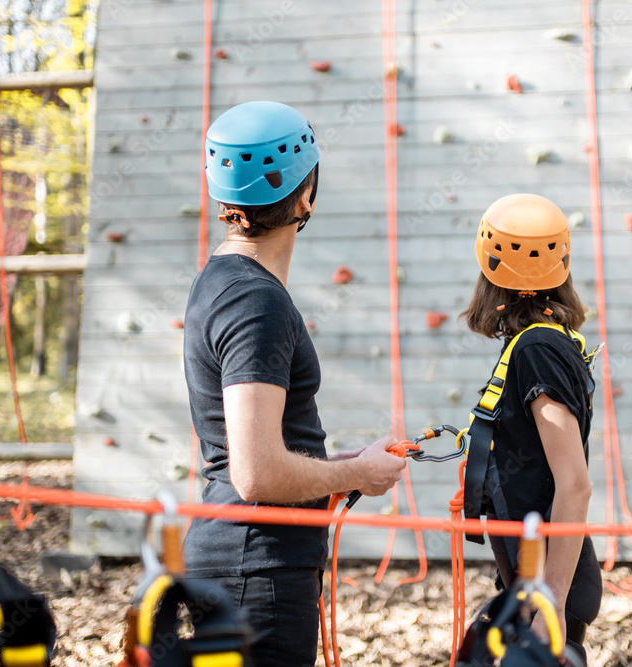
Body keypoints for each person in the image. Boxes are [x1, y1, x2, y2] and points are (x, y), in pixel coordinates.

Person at [181, 100, 406, 666]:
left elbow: (260, 449)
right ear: (306, 197)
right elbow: (255, 473)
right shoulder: (258, 302)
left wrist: (340, 462)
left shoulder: (221, 281)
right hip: (257, 572)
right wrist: (358, 474)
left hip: (240, 563)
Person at [459, 193, 603, 664]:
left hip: (549, 587)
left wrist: (551, 602)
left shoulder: (537, 347)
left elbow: (575, 485)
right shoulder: (536, 341)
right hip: (530, 571)